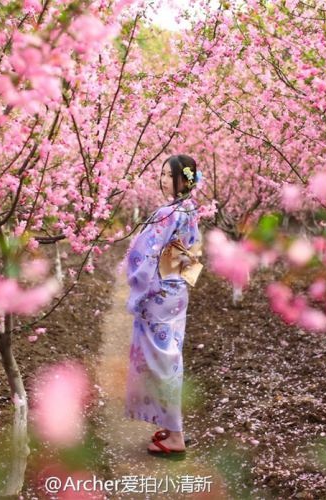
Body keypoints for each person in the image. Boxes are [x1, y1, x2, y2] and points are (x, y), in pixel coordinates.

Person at [123, 154, 202, 458]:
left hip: (159, 293)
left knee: (161, 361)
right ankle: (173, 427)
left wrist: (137, 281)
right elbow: (188, 252)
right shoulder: (191, 208)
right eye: (163, 174)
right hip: (177, 289)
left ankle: (176, 436)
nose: (164, 180)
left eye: (169, 175)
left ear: (183, 179)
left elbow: (143, 254)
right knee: (169, 356)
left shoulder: (168, 212)